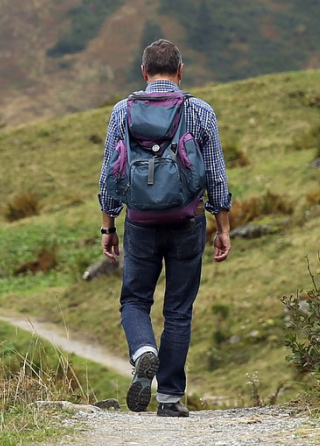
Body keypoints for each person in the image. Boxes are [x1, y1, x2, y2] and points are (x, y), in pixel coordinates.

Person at [98, 39, 232, 418]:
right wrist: (222, 226)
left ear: (144, 72)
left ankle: (144, 351)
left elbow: (110, 173)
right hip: (187, 221)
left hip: (139, 222)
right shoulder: (200, 111)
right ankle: (170, 398)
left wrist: (108, 226)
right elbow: (217, 176)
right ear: (180, 71)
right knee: (178, 309)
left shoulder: (122, 111)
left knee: (135, 300)